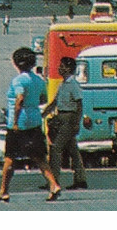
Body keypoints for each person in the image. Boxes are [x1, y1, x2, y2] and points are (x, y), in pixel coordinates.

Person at [0, 47, 60, 203]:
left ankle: (3, 191)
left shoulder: (18, 80)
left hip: (20, 123)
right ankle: (54, 185)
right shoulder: (39, 80)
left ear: (16, 63)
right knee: (39, 157)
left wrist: (14, 121)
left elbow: (19, 99)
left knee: (10, 158)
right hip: (35, 121)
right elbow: (43, 100)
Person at [44, 56, 88, 192]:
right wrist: (44, 113)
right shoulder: (62, 84)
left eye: (62, 66)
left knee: (56, 149)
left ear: (69, 68)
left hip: (69, 119)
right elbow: (54, 102)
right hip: (60, 117)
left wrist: (76, 123)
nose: (59, 68)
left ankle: (53, 180)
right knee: (73, 151)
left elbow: (79, 105)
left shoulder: (73, 85)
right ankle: (80, 179)